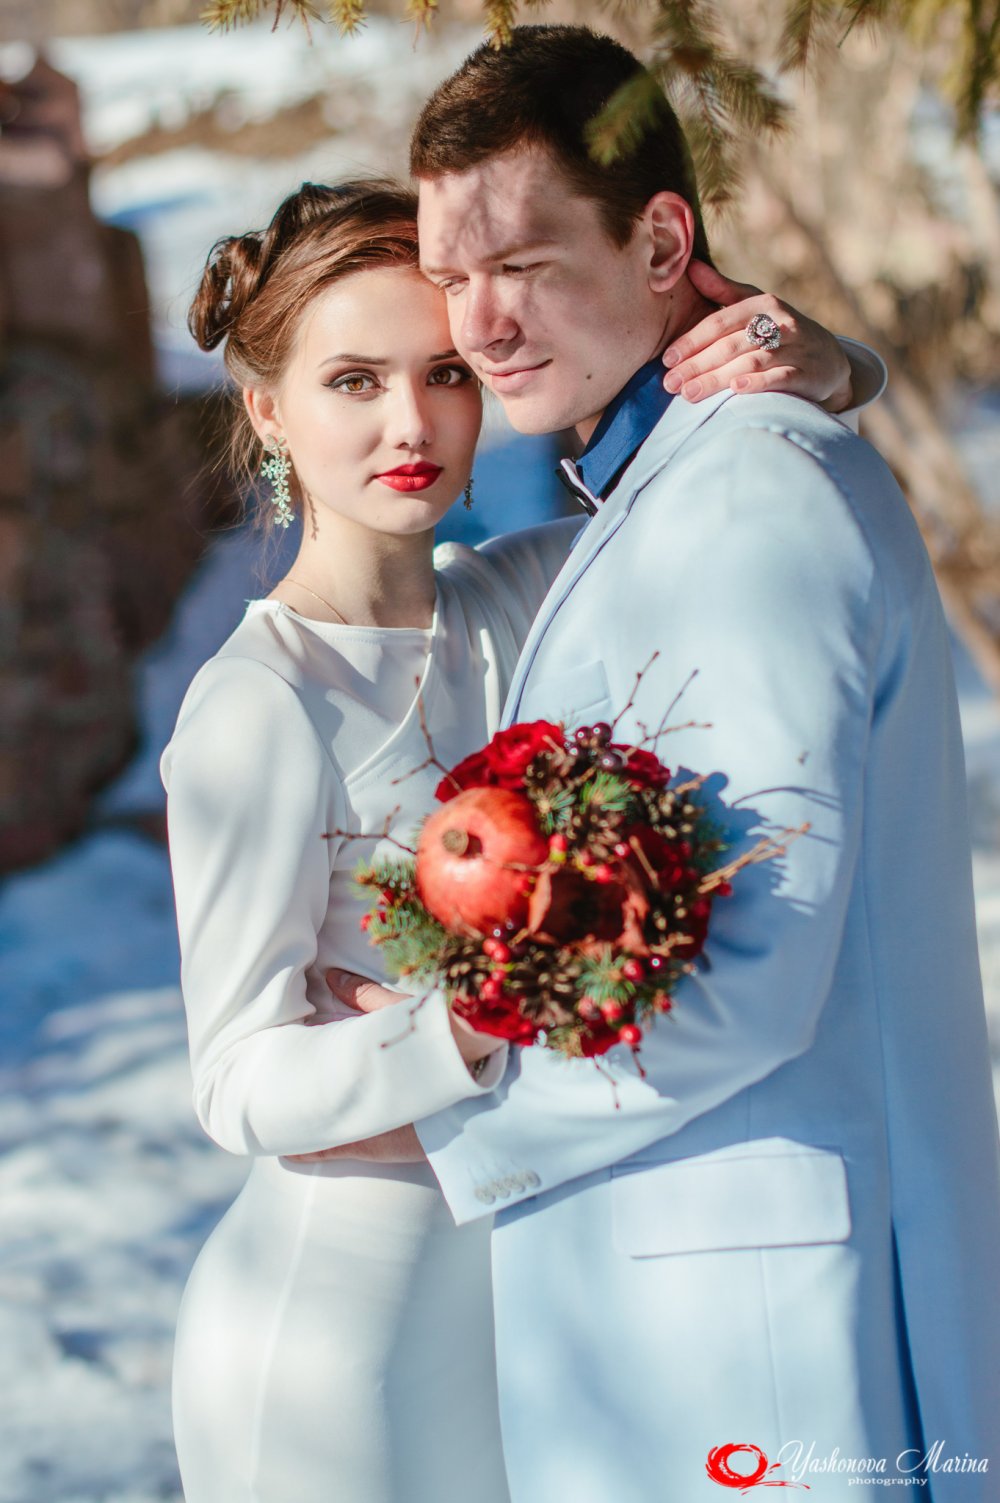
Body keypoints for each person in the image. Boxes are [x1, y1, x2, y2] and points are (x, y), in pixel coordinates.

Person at [325, 25, 1000, 1503]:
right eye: (450, 276)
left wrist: (442, 1100)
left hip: (756, 1339)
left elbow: (752, 962)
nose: (480, 323)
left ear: (660, 241)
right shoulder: (672, 478)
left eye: (522, 262)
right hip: (682, 1318)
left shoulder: (752, 496)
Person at [161, 176, 882, 1503]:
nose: (411, 422)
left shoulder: (528, 593)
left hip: (518, 1316)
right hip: (330, 1344)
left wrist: (835, 368)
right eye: (353, 381)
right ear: (266, 409)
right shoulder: (261, 706)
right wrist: (478, 1028)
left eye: (443, 373)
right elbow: (239, 1085)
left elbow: (721, 497)